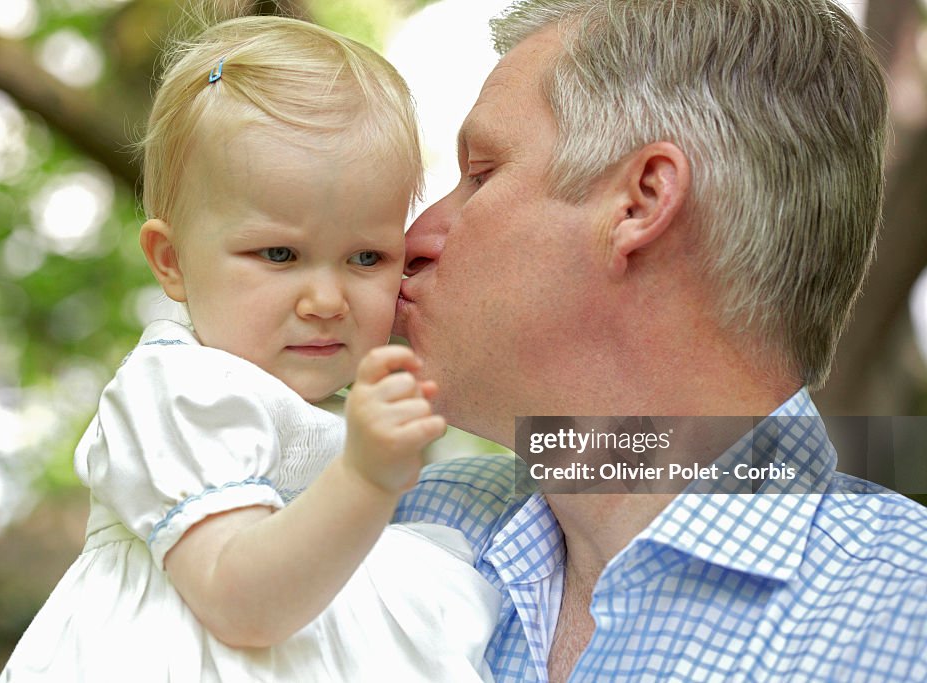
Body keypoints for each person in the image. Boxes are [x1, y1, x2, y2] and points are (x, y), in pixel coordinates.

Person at [393, 0, 927, 681]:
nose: (413, 242)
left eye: (482, 174)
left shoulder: (907, 624)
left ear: (641, 201)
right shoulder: (392, 522)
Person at [0, 16, 499, 682]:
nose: (326, 298)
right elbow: (243, 602)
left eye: (367, 256)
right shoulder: (179, 391)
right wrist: (364, 477)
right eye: (279, 253)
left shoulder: (319, 416)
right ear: (172, 260)